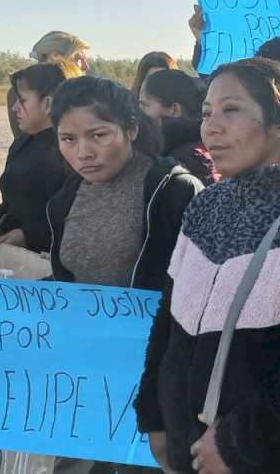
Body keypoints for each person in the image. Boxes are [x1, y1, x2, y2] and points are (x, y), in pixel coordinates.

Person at [134, 57, 280, 474]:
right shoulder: (206, 205)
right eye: (207, 112)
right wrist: (154, 414)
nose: (212, 126)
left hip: (269, 457)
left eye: (232, 110)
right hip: (188, 448)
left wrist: (235, 443)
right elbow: (168, 319)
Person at [46, 76, 202, 474]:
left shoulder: (173, 191)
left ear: (131, 129)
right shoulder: (65, 201)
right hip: (89, 379)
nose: (83, 152)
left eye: (98, 134)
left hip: (156, 386)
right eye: (68, 139)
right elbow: (70, 285)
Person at [0, 62, 79, 252]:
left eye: (23, 100)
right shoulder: (21, 144)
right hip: (18, 255)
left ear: (48, 103)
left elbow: (73, 215)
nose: (14, 108)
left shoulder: (72, 150)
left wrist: (28, 235)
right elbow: (14, 205)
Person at [139, 68, 220, 186]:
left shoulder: (188, 160)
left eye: (145, 105)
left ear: (174, 109)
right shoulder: (191, 145)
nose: (139, 113)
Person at [6, 31, 90, 138]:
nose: (86, 66)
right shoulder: (18, 92)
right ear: (55, 56)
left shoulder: (83, 92)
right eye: (79, 59)